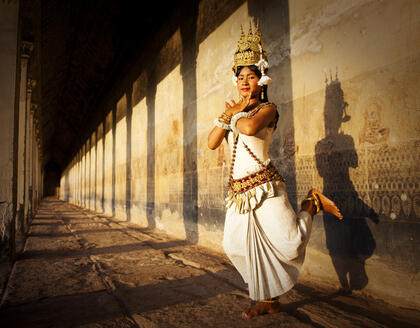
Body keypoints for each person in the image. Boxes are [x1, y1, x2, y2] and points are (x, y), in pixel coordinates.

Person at [207, 23, 343, 319]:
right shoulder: (233, 113)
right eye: (240, 76)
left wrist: (234, 113)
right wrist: (227, 115)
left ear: (261, 79)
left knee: (291, 241)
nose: (244, 81)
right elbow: (211, 141)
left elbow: (248, 127)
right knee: (237, 245)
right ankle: (268, 299)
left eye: (251, 76)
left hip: (266, 186)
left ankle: (312, 203)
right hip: (239, 193)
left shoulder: (268, 109)